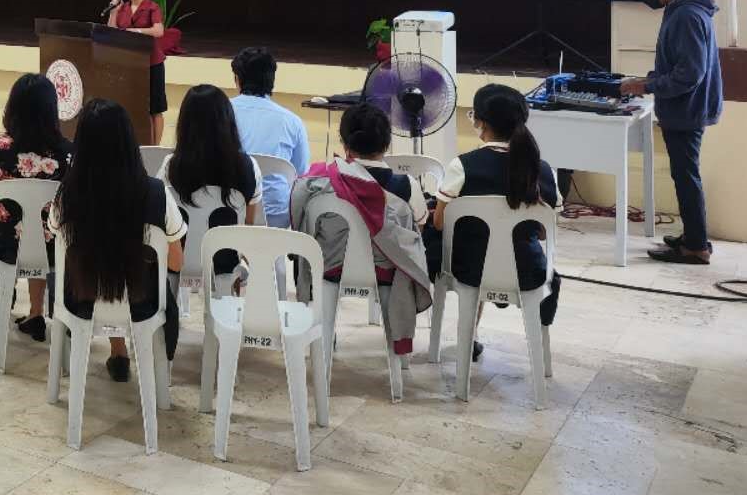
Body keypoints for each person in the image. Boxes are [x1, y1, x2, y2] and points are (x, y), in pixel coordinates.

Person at [47, 98, 185, 381]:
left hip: (82, 301)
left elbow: (58, 247)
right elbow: (175, 262)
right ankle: (135, 362)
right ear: (129, 142)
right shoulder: (157, 193)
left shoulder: (66, 195)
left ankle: (117, 351)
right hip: (143, 304)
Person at [289, 102, 433, 359]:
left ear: (344, 142)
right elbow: (417, 230)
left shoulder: (318, 180)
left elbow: (300, 226)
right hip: (387, 271)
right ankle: (397, 361)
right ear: (387, 144)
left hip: (330, 265)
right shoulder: (406, 185)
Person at [429, 84, 561, 328]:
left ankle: (470, 337)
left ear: (481, 122)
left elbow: (439, 223)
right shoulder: (543, 171)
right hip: (527, 271)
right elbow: (544, 233)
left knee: (463, 243)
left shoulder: (462, 166)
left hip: (470, 270)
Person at [619, 0, 722, 264]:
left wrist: (647, 86)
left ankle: (696, 247)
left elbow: (689, 74)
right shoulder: (682, 9)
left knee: (686, 176)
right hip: (685, 107)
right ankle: (693, 236)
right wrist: (648, 80)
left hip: (686, 110)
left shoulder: (686, 15)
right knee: (684, 174)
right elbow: (677, 64)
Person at [0, 72, 71, 342]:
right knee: (41, 234)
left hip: (7, 248)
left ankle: (6, 292)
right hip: (54, 251)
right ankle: (36, 312)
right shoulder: (68, 153)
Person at [168, 84, 258, 278]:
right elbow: (249, 223)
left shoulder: (170, 166)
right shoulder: (248, 166)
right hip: (226, 267)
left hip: (180, 265)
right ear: (228, 121)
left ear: (184, 124)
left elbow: (165, 218)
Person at [229, 47, 310, 228]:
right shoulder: (292, 122)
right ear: (272, 80)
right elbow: (301, 176)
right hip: (276, 219)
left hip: (229, 211)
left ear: (237, 79)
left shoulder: (220, 112)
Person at [110, 0, 167, 145]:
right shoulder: (123, 8)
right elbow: (112, 31)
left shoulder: (152, 7)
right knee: (135, 105)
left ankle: (155, 146)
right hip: (130, 63)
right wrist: (113, 11)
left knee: (155, 109)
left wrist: (136, 31)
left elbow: (159, 31)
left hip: (152, 63)